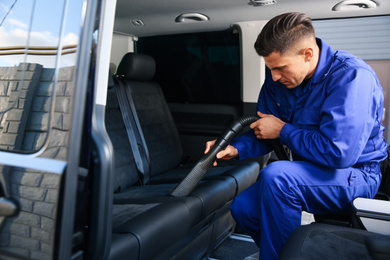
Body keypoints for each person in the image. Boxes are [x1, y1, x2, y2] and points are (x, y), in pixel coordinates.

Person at [204, 12, 387, 260]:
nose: (274, 77)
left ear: (307, 54)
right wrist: (235, 148)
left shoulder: (351, 77)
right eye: (270, 69)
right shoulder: (278, 81)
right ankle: (286, 254)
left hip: (357, 174)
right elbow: (265, 129)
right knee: (244, 208)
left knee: (277, 176)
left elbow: (338, 154)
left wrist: (282, 130)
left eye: (280, 68)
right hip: (309, 171)